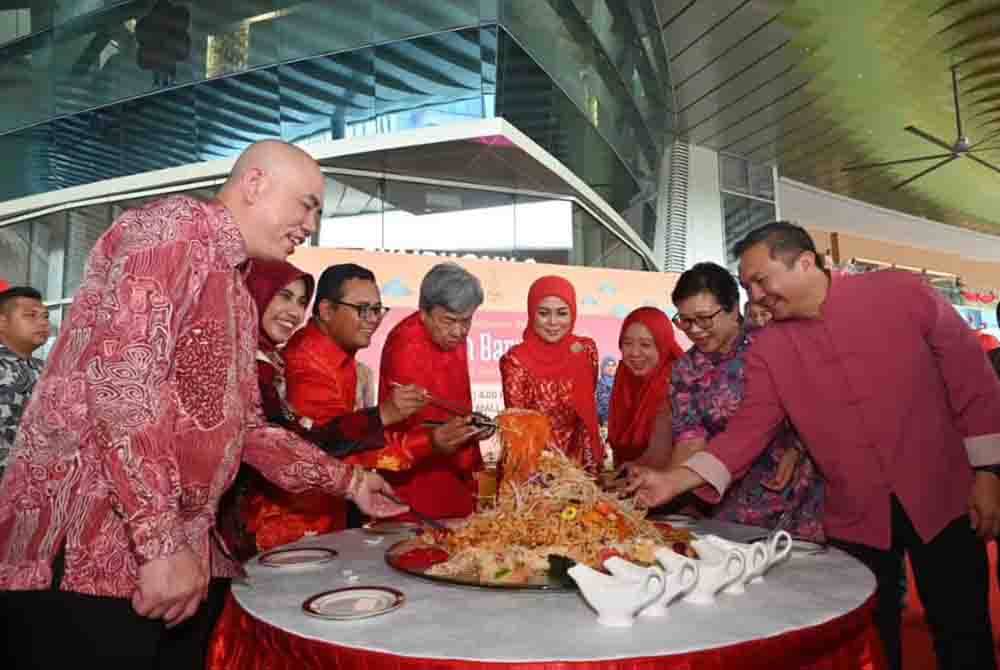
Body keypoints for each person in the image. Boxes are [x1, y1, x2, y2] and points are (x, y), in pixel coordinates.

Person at [0, 140, 406, 670]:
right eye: (307, 204)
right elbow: (124, 386)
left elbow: (245, 429)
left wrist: (348, 483)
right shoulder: (174, 229)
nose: (311, 224)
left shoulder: (235, 288)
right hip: (89, 556)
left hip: (173, 563)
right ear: (255, 183)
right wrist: (161, 543)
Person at [628, 222, 1000, 670]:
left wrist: (988, 472)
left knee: (963, 633)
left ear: (804, 262)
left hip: (942, 495)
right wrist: (672, 481)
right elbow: (748, 431)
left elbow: (972, 380)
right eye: (747, 285)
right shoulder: (769, 350)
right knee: (870, 639)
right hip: (855, 517)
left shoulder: (902, 293)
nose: (756, 296)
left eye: (761, 280)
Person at [662, 263, 824, 540]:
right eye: (685, 321)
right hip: (728, 500)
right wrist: (666, 484)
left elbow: (816, 403)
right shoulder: (686, 370)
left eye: (704, 318)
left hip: (792, 492)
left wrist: (798, 447)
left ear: (734, 308)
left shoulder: (772, 346)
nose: (694, 330)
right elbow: (690, 440)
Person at [282, 263, 443, 522]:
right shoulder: (306, 362)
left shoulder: (348, 362)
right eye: (362, 309)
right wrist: (425, 439)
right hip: (300, 523)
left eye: (377, 310)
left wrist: (432, 439)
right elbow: (324, 448)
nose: (373, 319)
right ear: (326, 310)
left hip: (335, 509)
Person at [378, 263, 489, 519]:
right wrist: (455, 435)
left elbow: (457, 405)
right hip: (416, 480)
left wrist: (473, 427)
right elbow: (410, 434)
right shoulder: (405, 346)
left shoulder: (452, 338)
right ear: (423, 313)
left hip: (456, 475)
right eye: (449, 321)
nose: (459, 331)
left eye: (467, 321)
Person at [500, 276, 604, 473]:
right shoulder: (515, 360)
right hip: (533, 468)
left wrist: (589, 470)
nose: (553, 322)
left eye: (562, 313)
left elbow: (586, 417)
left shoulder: (584, 350)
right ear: (532, 313)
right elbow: (520, 428)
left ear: (573, 313)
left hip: (578, 465)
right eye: (544, 313)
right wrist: (546, 472)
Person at [606, 307, 684, 469]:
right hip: (624, 483)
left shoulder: (679, 384)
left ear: (663, 346)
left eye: (645, 344)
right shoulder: (625, 376)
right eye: (627, 343)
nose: (635, 353)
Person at [0, 285, 50, 478]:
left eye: (45, 316)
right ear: (2, 322)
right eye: (31, 315)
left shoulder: (50, 370)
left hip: (37, 482)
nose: (43, 322)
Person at [596, 356, 617, 428]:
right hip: (604, 421)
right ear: (603, 368)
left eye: (613, 365)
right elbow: (601, 404)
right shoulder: (599, 384)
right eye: (608, 365)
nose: (610, 368)